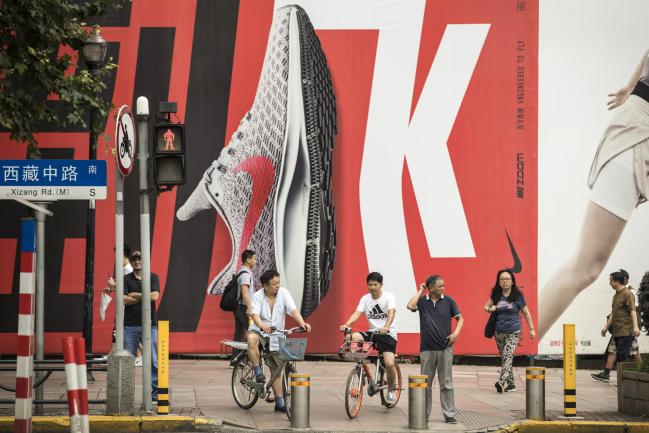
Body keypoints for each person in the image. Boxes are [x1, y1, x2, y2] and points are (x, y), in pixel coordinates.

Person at [539, 48, 649, 338]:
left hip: (639, 125)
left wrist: (629, 85)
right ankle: (513, 350)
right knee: (586, 266)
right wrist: (632, 87)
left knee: (584, 265)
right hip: (638, 133)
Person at [248, 269, 311, 413]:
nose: (277, 286)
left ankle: (279, 402)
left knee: (277, 369)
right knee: (252, 339)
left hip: (276, 334)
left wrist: (302, 323)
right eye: (274, 284)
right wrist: (262, 326)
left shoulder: (283, 293)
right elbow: (255, 315)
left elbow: (293, 310)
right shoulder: (257, 296)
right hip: (259, 331)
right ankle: (257, 371)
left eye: (278, 282)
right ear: (265, 285)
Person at [407, 274, 463, 424]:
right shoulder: (422, 302)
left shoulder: (449, 300)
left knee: (446, 383)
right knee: (426, 383)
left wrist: (455, 333)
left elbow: (460, 319)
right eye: (440, 286)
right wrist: (420, 290)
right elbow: (410, 306)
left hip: (446, 347)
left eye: (444, 285)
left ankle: (449, 414)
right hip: (427, 348)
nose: (443, 288)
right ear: (431, 288)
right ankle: (423, 414)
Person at [339, 272, 398, 404]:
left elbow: (391, 312)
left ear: (381, 285)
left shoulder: (389, 297)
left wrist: (386, 326)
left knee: (389, 364)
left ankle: (390, 390)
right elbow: (357, 313)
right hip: (372, 332)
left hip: (387, 334)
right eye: (370, 284)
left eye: (375, 284)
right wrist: (347, 324)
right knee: (350, 336)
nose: (372, 287)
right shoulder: (365, 298)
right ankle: (360, 364)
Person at [483, 269, 535, 393]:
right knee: (505, 358)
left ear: (512, 281)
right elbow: (485, 306)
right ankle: (511, 384)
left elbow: (526, 313)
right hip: (499, 332)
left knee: (507, 355)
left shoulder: (517, 296)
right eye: (502, 279)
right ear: (499, 281)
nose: (505, 281)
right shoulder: (496, 295)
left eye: (507, 279)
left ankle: (501, 381)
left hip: (514, 331)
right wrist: (491, 308)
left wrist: (532, 329)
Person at [123, 250, 160, 402]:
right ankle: (125, 396)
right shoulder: (125, 279)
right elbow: (124, 300)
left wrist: (134, 294)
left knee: (153, 360)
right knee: (126, 361)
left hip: (149, 325)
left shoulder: (152, 277)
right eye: (134, 259)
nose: (137, 261)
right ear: (131, 261)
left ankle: (157, 394)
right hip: (130, 326)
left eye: (140, 258)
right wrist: (145, 296)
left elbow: (154, 297)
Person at [592, 269, 642, 381]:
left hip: (626, 331)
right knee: (613, 351)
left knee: (623, 355)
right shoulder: (616, 295)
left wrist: (635, 327)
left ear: (617, 281)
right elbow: (613, 313)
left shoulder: (629, 293)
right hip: (617, 330)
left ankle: (631, 376)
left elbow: (633, 311)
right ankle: (606, 374)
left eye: (611, 280)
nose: (609, 282)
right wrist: (605, 328)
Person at [230, 249, 257, 367]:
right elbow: (245, 293)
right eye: (254, 259)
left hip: (239, 307)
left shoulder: (242, 272)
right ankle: (244, 359)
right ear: (248, 260)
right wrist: (250, 308)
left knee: (239, 334)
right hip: (244, 308)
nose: (255, 261)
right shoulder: (245, 274)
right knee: (252, 332)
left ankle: (236, 360)